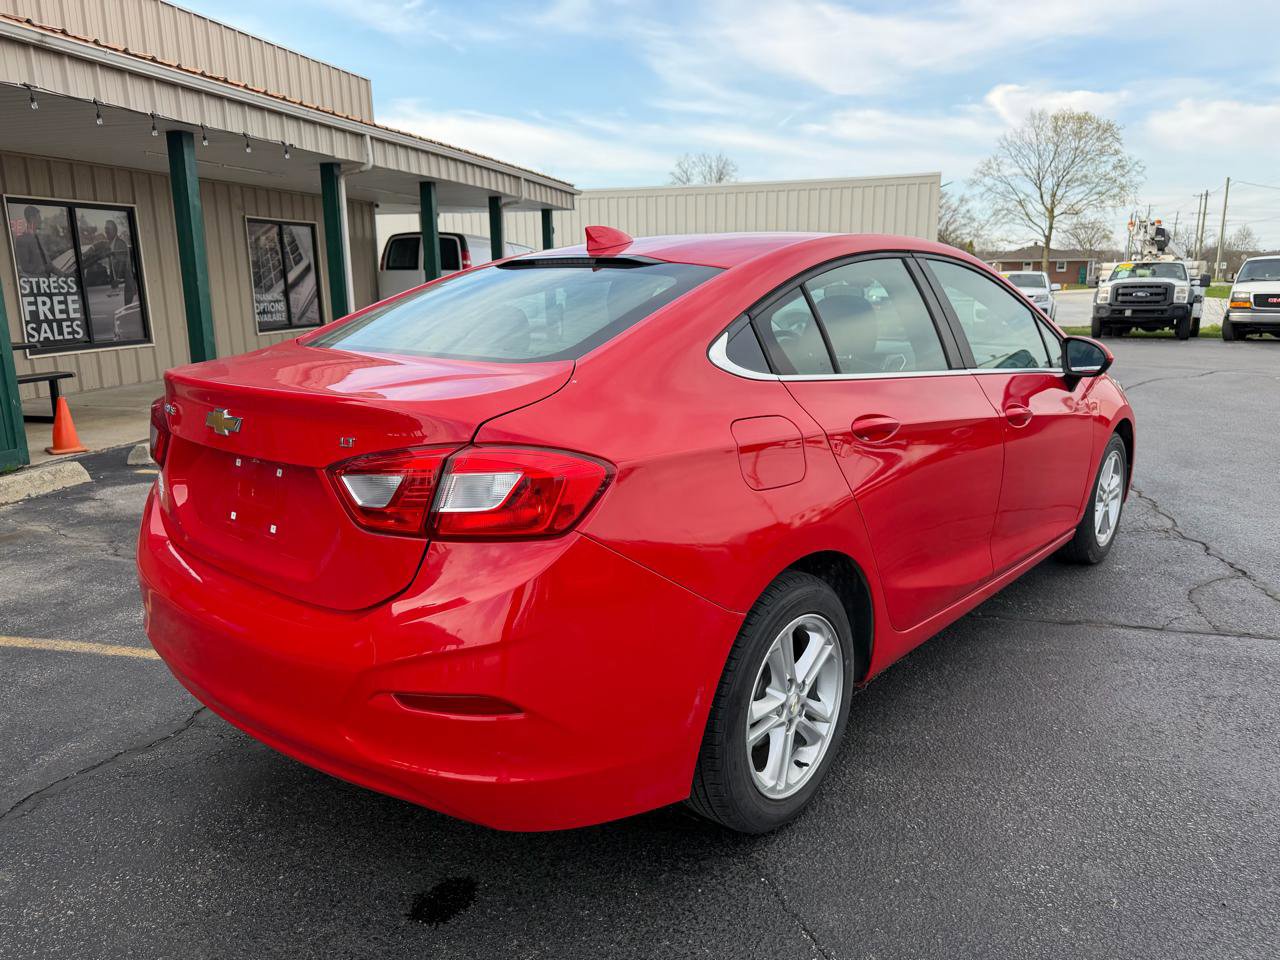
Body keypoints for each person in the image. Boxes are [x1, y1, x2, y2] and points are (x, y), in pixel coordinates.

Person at [13, 205, 54, 277]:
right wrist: (43, 269)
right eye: (39, 217)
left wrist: (65, 275)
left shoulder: (38, 238)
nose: (41, 220)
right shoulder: (22, 239)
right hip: (37, 282)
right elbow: (25, 268)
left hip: (48, 281)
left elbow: (49, 265)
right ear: (32, 219)